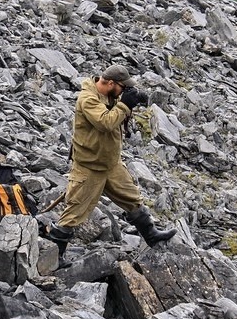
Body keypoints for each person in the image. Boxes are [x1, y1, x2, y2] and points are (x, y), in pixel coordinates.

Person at [45, 64, 177, 261]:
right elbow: (105, 122)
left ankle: (151, 236)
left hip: (110, 164)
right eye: (122, 88)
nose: (123, 92)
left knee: (132, 199)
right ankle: (54, 258)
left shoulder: (110, 94)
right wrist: (125, 105)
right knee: (74, 212)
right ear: (110, 83)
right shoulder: (87, 99)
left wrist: (134, 100)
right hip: (89, 166)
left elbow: (118, 112)